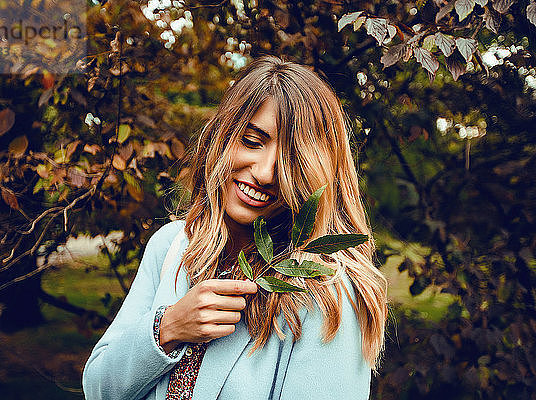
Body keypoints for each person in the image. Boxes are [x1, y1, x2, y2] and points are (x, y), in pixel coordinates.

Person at [82, 55, 388, 400]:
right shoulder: (171, 246)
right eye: (252, 142)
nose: (265, 172)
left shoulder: (327, 293)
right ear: (222, 137)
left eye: (291, 158)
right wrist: (167, 328)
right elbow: (99, 388)